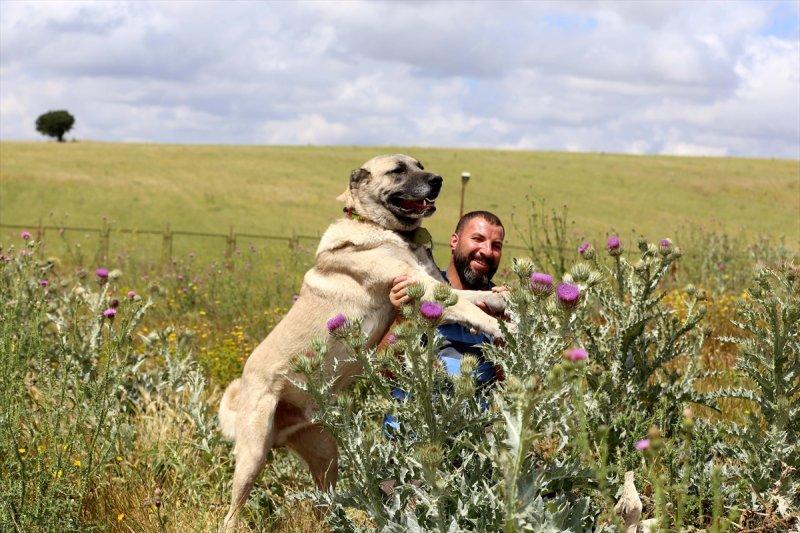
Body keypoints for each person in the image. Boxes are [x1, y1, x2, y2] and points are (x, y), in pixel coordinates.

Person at [388, 210, 507, 388]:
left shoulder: (504, 307)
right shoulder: (419, 291)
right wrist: (402, 319)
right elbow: (384, 372)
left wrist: (504, 332)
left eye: (496, 245)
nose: (487, 251)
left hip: (469, 415)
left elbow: (512, 389)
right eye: (478, 239)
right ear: (454, 241)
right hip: (413, 413)